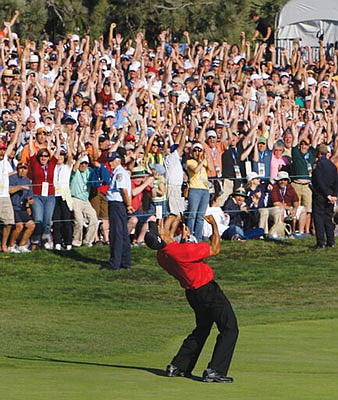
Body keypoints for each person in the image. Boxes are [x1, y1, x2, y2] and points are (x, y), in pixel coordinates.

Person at [144, 215, 238, 383]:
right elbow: (215, 248)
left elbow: (176, 252)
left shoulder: (161, 256)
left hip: (192, 294)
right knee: (230, 327)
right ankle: (215, 371)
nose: (162, 227)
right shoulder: (183, 251)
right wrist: (215, 226)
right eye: (159, 229)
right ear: (162, 237)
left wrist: (184, 240)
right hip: (208, 291)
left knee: (202, 329)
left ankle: (179, 366)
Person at [102, 151, 134, 270]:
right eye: (109, 161)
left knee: (116, 233)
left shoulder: (120, 173)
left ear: (118, 160)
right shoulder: (118, 172)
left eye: (112, 161)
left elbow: (123, 191)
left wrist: (128, 205)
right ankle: (125, 261)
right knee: (123, 233)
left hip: (117, 204)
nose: (110, 163)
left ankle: (115, 262)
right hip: (118, 204)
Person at [311, 144, 338, 248]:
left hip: (321, 195)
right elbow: (336, 181)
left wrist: (327, 195)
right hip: (331, 195)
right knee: (328, 218)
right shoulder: (332, 166)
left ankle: (320, 242)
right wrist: (334, 195)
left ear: (318, 153)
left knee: (318, 218)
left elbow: (319, 182)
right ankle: (331, 241)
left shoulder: (318, 166)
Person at [8, 161, 35, 253]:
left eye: (25, 168)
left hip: (22, 207)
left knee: (31, 225)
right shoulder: (11, 178)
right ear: (17, 169)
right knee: (19, 226)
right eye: (21, 168)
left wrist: (29, 201)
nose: (22, 170)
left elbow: (29, 195)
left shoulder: (27, 180)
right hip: (12, 207)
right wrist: (20, 187)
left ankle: (21, 245)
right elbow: (9, 190)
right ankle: (11, 246)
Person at [186, 142, 211, 241]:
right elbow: (195, 170)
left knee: (200, 216)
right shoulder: (190, 162)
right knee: (192, 214)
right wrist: (203, 160)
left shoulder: (204, 162)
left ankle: (198, 238)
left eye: (199, 150)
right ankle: (189, 236)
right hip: (194, 189)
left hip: (205, 189)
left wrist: (207, 159)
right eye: (195, 150)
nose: (197, 152)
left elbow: (212, 169)